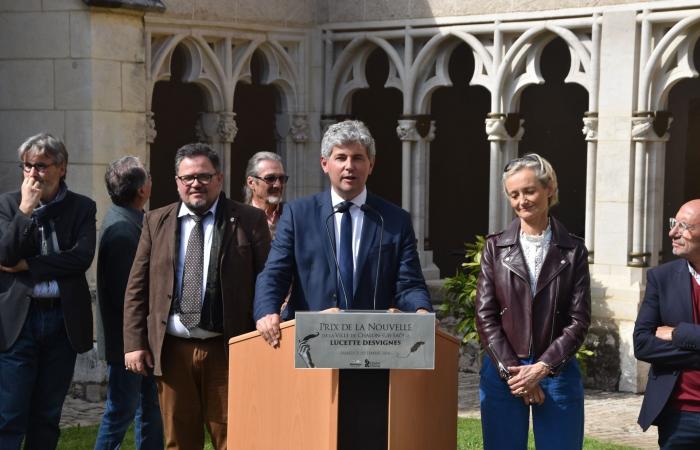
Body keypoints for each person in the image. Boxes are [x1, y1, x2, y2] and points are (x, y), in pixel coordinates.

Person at [123, 143, 271, 449]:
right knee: (178, 440)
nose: (195, 184)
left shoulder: (248, 220)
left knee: (235, 439)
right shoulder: (156, 221)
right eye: (188, 177)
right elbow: (137, 287)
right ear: (177, 181)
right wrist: (134, 344)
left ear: (219, 178)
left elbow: (267, 281)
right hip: (173, 350)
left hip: (227, 350)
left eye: (204, 176)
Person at [254, 120, 432, 347]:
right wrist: (267, 312)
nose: (350, 166)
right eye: (341, 158)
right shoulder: (298, 214)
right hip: (311, 343)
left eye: (358, 158)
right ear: (325, 164)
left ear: (371, 164)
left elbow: (409, 283)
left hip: (374, 347)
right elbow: (274, 274)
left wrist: (421, 310)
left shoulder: (395, 220)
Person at [475, 153, 590, 450]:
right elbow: (485, 316)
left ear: (549, 188)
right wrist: (516, 373)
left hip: (556, 372)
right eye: (514, 194)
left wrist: (541, 368)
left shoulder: (574, 250)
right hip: (504, 373)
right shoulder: (495, 248)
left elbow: (579, 319)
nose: (522, 200)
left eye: (529, 191)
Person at [0, 133, 96, 449]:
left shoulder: (81, 207)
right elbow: (4, 256)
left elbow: (80, 258)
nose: (33, 174)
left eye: (41, 166)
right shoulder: (8, 205)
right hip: (20, 322)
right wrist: (25, 211)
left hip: (61, 320)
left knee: (47, 414)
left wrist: (30, 265)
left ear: (61, 167)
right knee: (10, 415)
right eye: (27, 166)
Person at [94, 156, 163, 450]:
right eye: (147, 177)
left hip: (137, 339)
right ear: (141, 190)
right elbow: (128, 296)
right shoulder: (122, 230)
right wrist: (139, 341)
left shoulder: (128, 220)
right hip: (129, 343)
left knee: (149, 407)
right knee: (121, 410)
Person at [634, 199, 700, 448]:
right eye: (674, 223)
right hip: (679, 416)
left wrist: (679, 333)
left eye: (684, 226)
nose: (673, 232)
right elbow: (642, 344)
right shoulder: (661, 278)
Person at [243, 151, 288, 238]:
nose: (277, 185)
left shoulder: (293, 216)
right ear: (251, 182)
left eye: (282, 178)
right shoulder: (238, 219)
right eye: (270, 178)